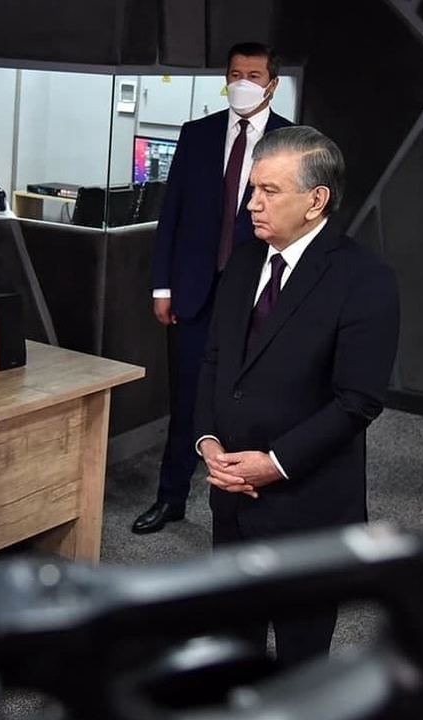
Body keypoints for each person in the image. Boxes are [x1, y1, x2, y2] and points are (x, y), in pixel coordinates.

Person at [195, 126, 400, 665]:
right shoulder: (243, 262)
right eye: (252, 189)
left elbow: (358, 400)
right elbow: (215, 361)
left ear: (316, 201)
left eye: (270, 191)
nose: (252, 204)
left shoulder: (365, 279)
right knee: (232, 647)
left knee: (300, 659)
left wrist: (274, 464)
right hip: (232, 494)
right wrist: (208, 441)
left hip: (306, 504)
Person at [136, 42, 293, 534]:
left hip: (258, 292)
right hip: (194, 291)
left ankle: (243, 505)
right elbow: (172, 215)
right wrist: (162, 286)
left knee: (249, 401)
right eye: (234, 73)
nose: (242, 83)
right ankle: (171, 497)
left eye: (253, 75)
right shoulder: (197, 134)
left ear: (272, 84)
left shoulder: (291, 142)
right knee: (187, 398)